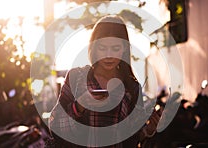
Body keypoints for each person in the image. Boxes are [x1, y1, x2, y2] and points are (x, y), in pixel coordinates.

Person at [48, 15, 160, 148]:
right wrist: (79, 106)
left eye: (115, 48)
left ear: (124, 48)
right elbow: (55, 127)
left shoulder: (132, 88)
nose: (108, 55)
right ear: (93, 47)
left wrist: (148, 130)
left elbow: (131, 139)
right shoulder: (75, 77)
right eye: (102, 48)